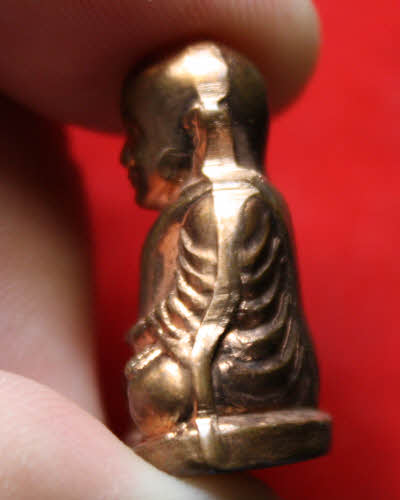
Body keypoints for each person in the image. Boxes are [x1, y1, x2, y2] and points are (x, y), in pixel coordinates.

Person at [0, 1, 320, 498]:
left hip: (238, 373)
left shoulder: (227, 204)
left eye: (138, 137)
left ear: (193, 129)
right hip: (219, 365)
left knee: (156, 385)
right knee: (148, 378)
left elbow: (215, 313)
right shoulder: (205, 207)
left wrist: (202, 401)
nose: (127, 156)